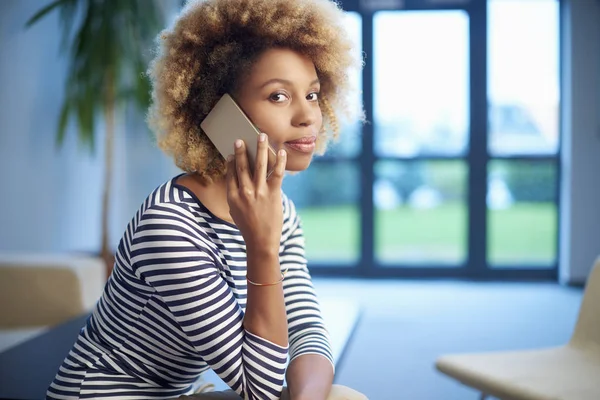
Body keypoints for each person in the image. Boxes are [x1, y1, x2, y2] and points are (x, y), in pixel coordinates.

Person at [47, 0, 365, 399]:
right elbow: (260, 387)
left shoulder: (279, 211)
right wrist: (262, 245)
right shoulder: (168, 225)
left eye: (314, 95)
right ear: (220, 112)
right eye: (279, 97)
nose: (308, 117)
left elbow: (306, 329)